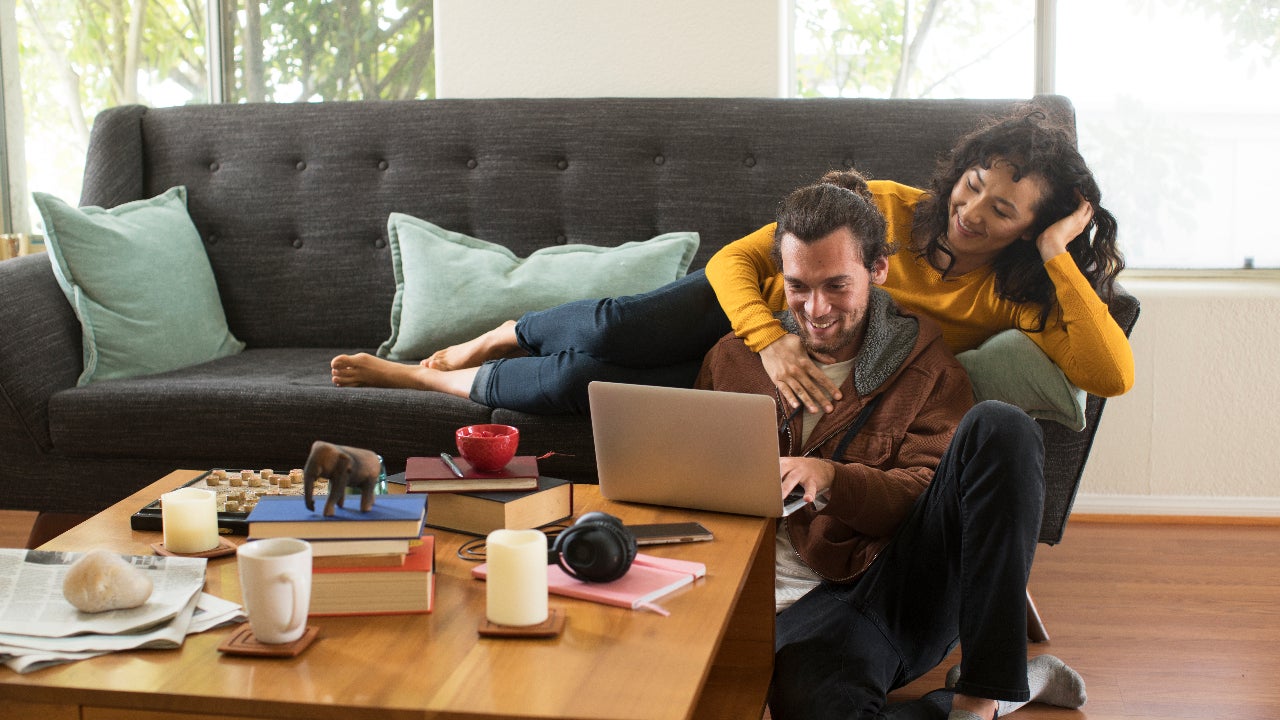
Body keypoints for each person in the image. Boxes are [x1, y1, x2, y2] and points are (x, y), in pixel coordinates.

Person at [332, 106, 1132, 417]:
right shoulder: (882, 205)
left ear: (1033, 227)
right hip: (755, 314)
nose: (971, 211)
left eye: (1003, 210)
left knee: (586, 385)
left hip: (784, 363)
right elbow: (737, 261)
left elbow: (1110, 375)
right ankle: (504, 329)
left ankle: (430, 379)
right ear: (958, 169)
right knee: (615, 329)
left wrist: (1060, 257)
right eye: (972, 185)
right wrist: (769, 336)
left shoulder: (1016, 295)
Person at [695, 178, 1086, 720]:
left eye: (836, 286)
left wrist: (831, 478)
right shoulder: (733, 359)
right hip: (770, 606)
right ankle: (1007, 696)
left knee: (1002, 427)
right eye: (797, 287)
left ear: (878, 269)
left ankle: (985, 689)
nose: (816, 309)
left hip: (880, 585)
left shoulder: (927, 366)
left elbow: (921, 495)